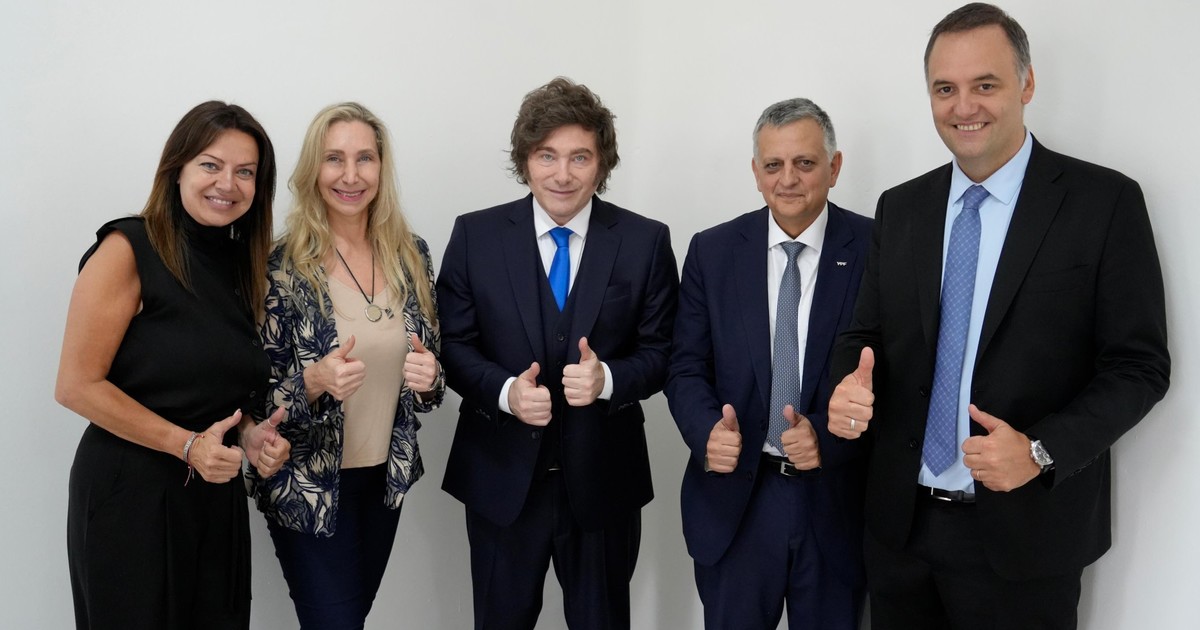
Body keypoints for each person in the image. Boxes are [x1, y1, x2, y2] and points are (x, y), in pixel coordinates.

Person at [828, 4, 1171, 629]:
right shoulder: (902, 208)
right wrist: (849, 383)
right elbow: (865, 335)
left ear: (1027, 83)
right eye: (945, 89)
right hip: (899, 532)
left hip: (1026, 537)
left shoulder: (1104, 203)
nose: (964, 107)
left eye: (985, 84)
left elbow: (1138, 367)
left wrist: (1041, 451)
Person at [437, 77, 679, 630]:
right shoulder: (476, 236)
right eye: (547, 155)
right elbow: (453, 344)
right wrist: (505, 392)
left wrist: (608, 379)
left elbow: (664, 352)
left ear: (602, 163)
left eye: (579, 157)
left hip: (604, 484)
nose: (562, 174)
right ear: (525, 160)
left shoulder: (645, 241)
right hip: (501, 481)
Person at [57, 101, 289, 630]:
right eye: (211, 164)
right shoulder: (127, 248)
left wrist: (250, 435)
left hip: (213, 495)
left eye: (245, 171)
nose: (227, 183)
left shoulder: (239, 262)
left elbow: (216, 386)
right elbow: (76, 385)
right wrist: (186, 445)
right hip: (130, 496)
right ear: (176, 168)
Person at [666, 98, 871, 629]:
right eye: (773, 165)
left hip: (836, 503)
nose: (788, 179)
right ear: (756, 173)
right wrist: (706, 432)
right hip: (737, 501)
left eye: (805, 163)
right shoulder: (712, 251)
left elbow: (896, 373)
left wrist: (826, 434)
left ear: (834, 167)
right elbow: (685, 367)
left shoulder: (877, 249)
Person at [247, 102, 444, 630]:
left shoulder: (411, 256)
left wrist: (430, 379)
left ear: (382, 167)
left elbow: (430, 376)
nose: (351, 175)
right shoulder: (278, 266)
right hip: (308, 481)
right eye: (334, 158)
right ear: (313, 169)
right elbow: (253, 399)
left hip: (385, 480)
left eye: (365, 159)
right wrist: (313, 381)